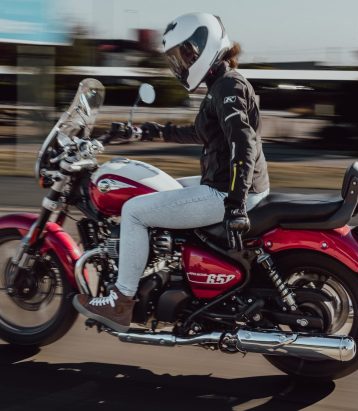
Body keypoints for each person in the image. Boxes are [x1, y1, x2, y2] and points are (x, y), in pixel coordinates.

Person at [73, 12, 270, 332]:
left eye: (186, 54)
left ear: (205, 46)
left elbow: (242, 144)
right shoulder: (222, 83)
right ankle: (166, 270)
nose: (182, 62)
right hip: (229, 185)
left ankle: (121, 301)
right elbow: (200, 133)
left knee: (134, 210)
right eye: (179, 56)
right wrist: (143, 132)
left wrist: (235, 204)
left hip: (230, 191)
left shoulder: (228, 86)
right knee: (163, 192)